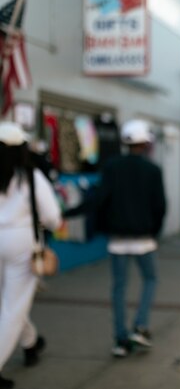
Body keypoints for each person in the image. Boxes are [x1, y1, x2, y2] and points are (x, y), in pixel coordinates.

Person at [65, 119, 166, 358]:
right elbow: (160, 206)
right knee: (150, 279)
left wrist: (68, 213)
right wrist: (155, 231)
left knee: (119, 288)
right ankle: (140, 326)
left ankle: (120, 339)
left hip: (117, 238)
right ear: (145, 144)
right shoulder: (153, 170)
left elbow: (98, 199)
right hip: (144, 238)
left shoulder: (112, 166)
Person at [0, 122, 62, 389]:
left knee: (9, 302)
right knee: (13, 307)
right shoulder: (31, 177)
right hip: (20, 243)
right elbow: (52, 217)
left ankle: (30, 342)